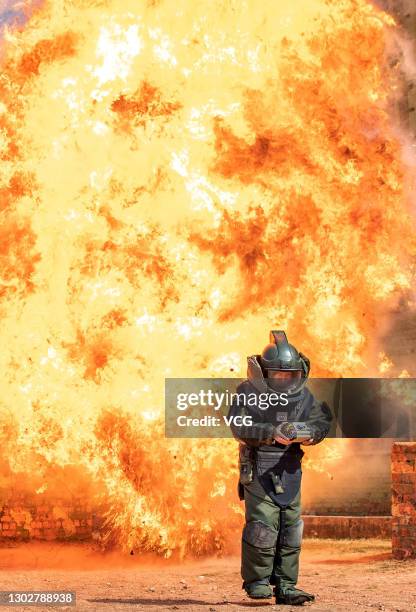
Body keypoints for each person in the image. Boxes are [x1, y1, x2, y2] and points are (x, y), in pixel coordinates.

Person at [228, 330, 333, 606]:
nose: (285, 380)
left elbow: (322, 421)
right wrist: (270, 432)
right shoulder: (246, 393)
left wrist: (311, 433)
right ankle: (258, 582)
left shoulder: (303, 397)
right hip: (259, 468)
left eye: (290, 376)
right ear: (263, 372)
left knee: (291, 528)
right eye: (279, 375)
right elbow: (239, 427)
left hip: (289, 470)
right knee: (263, 526)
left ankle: (286, 585)